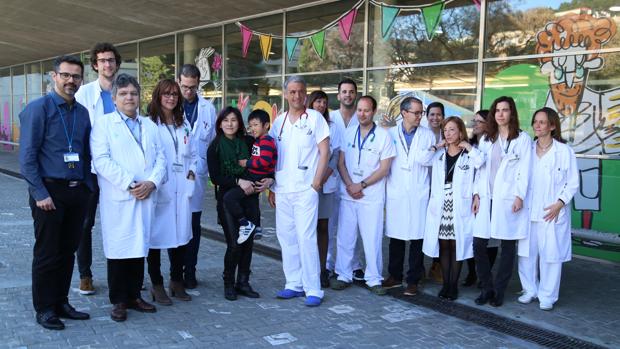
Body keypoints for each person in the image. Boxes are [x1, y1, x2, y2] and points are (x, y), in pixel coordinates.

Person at [20, 55, 93, 330]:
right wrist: (39, 193)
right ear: (54, 76)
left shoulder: (83, 113)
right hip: (48, 193)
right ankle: (45, 308)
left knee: (67, 251)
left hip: (77, 193)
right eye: (66, 75)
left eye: (76, 76)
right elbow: (27, 157)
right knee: (47, 253)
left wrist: (87, 187)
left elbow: (85, 154)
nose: (71, 80)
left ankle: (62, 302)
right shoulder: (38, 109)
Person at [91, 74, 166, 322]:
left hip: (146, 195)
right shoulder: (103, 125)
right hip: (121, 195)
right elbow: (101, 160)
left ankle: (134, 295)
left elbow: (162, 159)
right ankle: (119, 301)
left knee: (138, 249)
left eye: (133, 93)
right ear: (114, 98)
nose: (129, 97)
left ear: (139, 96)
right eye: (123, 94)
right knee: (119, 250)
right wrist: (130, 184)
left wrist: (152, 182)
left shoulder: (150, 126)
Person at [268, 75, 330, 307]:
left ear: (306, 94)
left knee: (306, 237)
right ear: (285, 94)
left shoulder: (315, 119)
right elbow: (272, 157)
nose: (296, 96)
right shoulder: (279, 122)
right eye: (292, 92)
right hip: (282, 188)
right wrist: (271, 188)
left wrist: (316, 184)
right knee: (286, 237)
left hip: (306, 189)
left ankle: (313, 288)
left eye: (300, 92)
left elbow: (325, 152)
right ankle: (293, 283)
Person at [331, 96, 396, 296]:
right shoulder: (348, 133)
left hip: (371, 197)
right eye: (359, 110)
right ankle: (343, 274)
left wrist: (362, 184)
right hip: (349, 194)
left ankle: (374, 279)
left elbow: (384, 168)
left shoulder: (384, 136)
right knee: (345, 237)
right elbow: (341, 163)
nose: (362, 114)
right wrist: (351, 185)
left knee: (372, 239)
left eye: (366, 110)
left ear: (374, 111)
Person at [472, 96, 532, 307]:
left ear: (511, 113)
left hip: (507, 200)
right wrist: (477, 194)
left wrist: (519, 196)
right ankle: (487, 288)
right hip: (486, 198)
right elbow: (479, 171)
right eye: (497, 110)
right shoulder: (487, 139)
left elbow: (525, 171)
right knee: (479, 243)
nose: (500, 114)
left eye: (505, 110)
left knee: (507, 245)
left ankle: (499, 290)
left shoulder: (522, 139)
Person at [518, 107, 578, 311]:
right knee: (526, 253)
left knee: (550, 256)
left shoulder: (564, 151)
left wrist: (559, 204)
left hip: (552, 212)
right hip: (528, 211)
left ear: (552, 125)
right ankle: (529, 290)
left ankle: (547, 295)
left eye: (542, 122)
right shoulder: (528, 149)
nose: (537, 125)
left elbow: (572, 183)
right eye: (535, 121)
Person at [74, 42, 122, 296]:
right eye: (102, 60)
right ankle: (85, 275)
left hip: (119, 169)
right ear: (95, 65)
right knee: (85, 223)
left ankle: (127, 273)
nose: (107, 64)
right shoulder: (84, 94)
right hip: (91, 170)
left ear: (116, 63)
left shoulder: (124, 90)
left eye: (111, 60)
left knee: (123, 220)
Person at [208, 107, 266, 301]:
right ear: (220, 123)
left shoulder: (249, 142)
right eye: (226, 120)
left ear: (239, 123)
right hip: (227, 200)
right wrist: (237, 181)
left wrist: (269, 179)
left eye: (234, 120)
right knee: (234, 244)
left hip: (249, 197)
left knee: (248, 243)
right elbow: (215, 177)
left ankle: (243, 282)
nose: (230, 124)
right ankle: (228, 283)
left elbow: (263, 163)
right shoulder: (215, 146)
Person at [147, 79, 196, 305]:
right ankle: (156, 284)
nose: (171, 98)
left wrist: (192, 173)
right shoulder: (149, 125)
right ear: (158, 96)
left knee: (180, 238)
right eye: (166, 94)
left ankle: (176, 281)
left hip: (181, 189)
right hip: (161, 189)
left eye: (175, 94)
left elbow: (193, 153)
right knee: (156, 239)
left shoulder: (183, 123)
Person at [423, 117, 483, 300]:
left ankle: (453, 286)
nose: (448, 134)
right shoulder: (438, 155)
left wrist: (470, 147)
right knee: (444, 246)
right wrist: (436, 146)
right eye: (446, 130)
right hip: (441, 206)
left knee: (456, 246)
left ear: (461, 132)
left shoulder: (469, 155)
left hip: (460, 205)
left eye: (452, 130)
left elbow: (481, 163)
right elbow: (422, 159)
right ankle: (445, 284)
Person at [383, 97, 434, 296]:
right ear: (404, 113)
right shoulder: (390, 133)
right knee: (396, 237)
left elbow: (429, 163)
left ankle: (413, 279)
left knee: (417, 238)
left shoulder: (428, 135)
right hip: (396, 190)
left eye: (421, 112)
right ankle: (394, 276)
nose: (420, 116)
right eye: (416, 112)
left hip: (418, 191)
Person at [178, 64, 217, 289]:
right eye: (184, 86)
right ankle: (176, 272)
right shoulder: (170, 105)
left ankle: (190, 271)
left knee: (194, 224)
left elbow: (211, 144)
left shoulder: (208, 109)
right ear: (179, 81)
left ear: (198, 84)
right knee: (176, 223)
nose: (188, 91)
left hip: (197, 175)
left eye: (192, 87)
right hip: (175, 175)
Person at [328, 78, 364, 281]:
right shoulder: (331, 118)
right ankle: (329, 263)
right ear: (338, 95)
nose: (348, 95)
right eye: (344, 92)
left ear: (355, 94)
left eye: (351, 92)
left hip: (354, 181)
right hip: (333, 180)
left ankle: (355, 264)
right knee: (331, 225)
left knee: (354, 226)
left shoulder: (362, 118)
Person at [307, 90, 342, 288]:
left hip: (324, 184)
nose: (320, 105)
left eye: (323, 102)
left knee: (322, 227)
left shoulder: (332, 127)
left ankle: (321, 270)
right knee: (306, 228)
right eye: (317, 101)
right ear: (310, 103)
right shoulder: (304, 123)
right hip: (305, 184)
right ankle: (308, 268)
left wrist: (321, 178)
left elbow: (335, 156)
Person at [462, 110, 499, 287]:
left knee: (488, 240)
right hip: (470, 195)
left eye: (479, 121)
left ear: (488, 124)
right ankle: (472, 272)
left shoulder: (494, 143)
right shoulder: (469, 143)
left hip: (487, 196)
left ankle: (485, 274)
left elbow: (482, 165)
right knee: (472, 236)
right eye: (474, 121)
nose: (475, 124)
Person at [234, 109, 276, 244]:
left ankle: (246, 223)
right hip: (255, 174)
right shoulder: (258, 140)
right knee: (252, 201)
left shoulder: (266, 141)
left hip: (257, 176)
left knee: (231, 198)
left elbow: (264, 161)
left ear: (266, 125)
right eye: (250, 125)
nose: (252, 128)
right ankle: (256, 226)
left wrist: (247, 163)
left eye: (256, 125)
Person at [425, 101, 445, 283]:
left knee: (439, 230)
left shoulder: (448, 134)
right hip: (424, 186)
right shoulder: (422, 134)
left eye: (438, 114)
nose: (435, 118)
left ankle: (437, 265)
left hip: (441, 188)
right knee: (425, 229)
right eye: (432, 114)